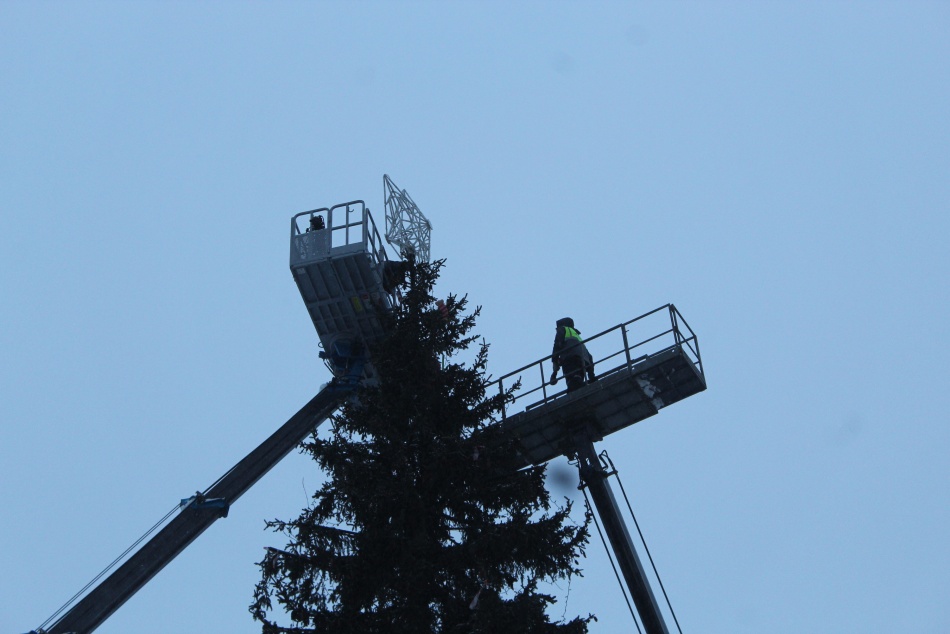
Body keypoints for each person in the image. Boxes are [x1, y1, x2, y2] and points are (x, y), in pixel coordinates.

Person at [549, 317, 596, 392]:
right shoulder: (577, 336)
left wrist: (554, 360)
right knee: (578, 379)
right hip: (583, 361)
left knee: (572, 381)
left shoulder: (562, 329)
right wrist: (591, 375)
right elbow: (589, 356)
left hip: (570, 358)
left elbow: (557, 345)